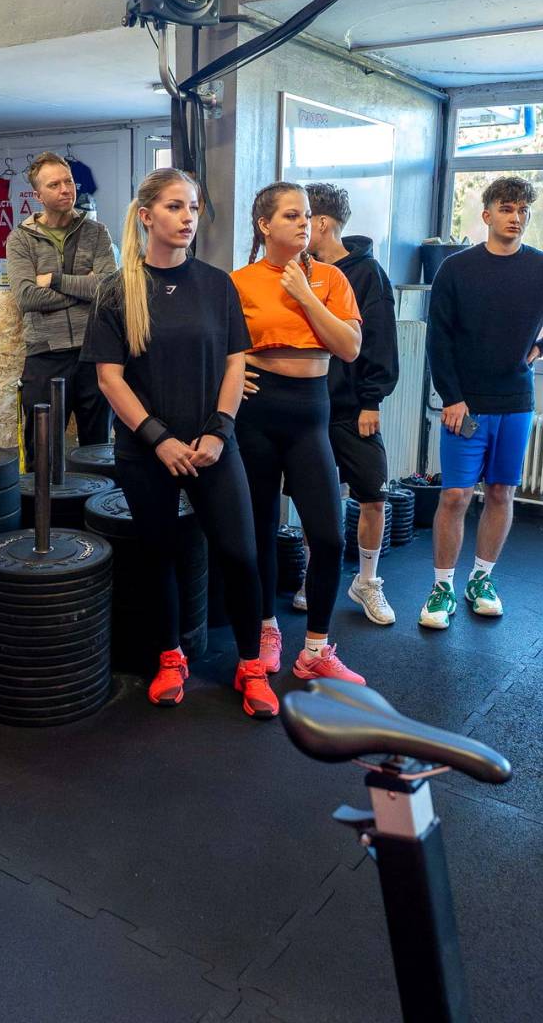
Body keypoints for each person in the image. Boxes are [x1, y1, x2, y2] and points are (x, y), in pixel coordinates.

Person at [83, 169, 267, 709]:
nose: (188, 217)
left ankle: (252, 665)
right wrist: (159, 439)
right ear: (146, 216)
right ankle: (170, 657)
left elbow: (235, 364)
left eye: (193, 207)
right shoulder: (118, 290)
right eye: (174, 206)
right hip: (146, 451)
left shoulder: (217, 284)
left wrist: (219, 430)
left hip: (213, 446)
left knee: (241, 554)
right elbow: (109, 379)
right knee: (158, 556)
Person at [420, 176, 543, 629]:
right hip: (466, 404)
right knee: (455, 495)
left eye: (523, 210)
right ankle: (442, 587)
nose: (516, 217)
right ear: (487, 214)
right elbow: (438, 339)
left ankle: (482, 580)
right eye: (507, 209)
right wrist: (452, 397)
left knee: (500, 492)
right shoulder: (456, 269)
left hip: (516, 400)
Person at [230, 181, 366, 712]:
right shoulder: (240, 281)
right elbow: (220, 345)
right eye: (291, 215)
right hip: (258, 412)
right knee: (261, 529)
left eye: (307, 215)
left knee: (328, 535)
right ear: (265, 225)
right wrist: (234, 371)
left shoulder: (331, 278)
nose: (304, 223)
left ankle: (315, 650)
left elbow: (349, 347)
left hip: (311, 415)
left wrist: (306, 294)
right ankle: (267, 628)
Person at [303, 182, 400, 626]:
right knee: (315, 498)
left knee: (372, 496)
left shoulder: (368, 274)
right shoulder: (299, 270)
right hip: (308, 407)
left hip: (353, 408)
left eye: (303, 217)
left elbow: (379, 340)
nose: (299, 226)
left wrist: (371, 400)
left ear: (322, 222)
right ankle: (313, 578)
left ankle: (367, 580)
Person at [6, 152, 117, 464]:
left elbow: (108, 289)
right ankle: (43, 498)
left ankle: (96, 499)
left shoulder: (97, 232)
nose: (65, 189)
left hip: (93, 352)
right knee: (42, 450)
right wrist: (84, 290)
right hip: (45, 355)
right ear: (38, 195)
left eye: (68, 181)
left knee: (98, 451)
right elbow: (27, 297)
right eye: (54, 185)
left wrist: (55, 280)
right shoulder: (20, 239)